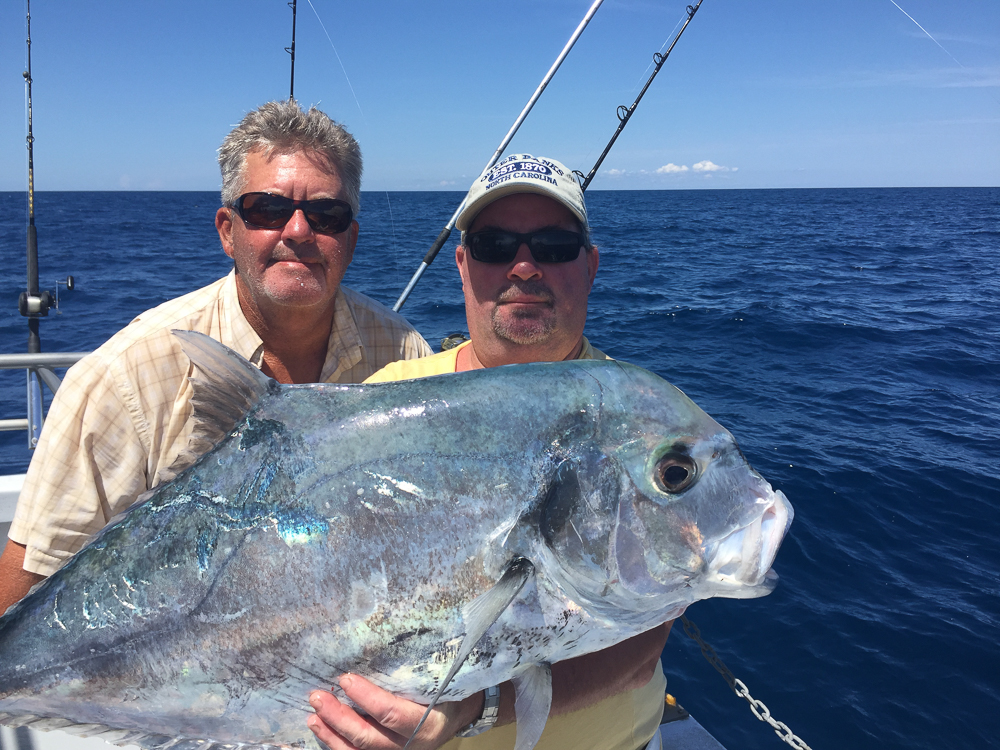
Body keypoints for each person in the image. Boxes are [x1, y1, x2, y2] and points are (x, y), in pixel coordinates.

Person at [0, 100, 432, 614]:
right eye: (268, 210)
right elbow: (27, 591)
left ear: (350, 239)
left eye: (326, 215)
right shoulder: (123, 376)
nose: (297, 231)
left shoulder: (406, 354)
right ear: (228, 231)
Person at [306, 154, 671, 750]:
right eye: (494, 244)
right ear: (462, 263)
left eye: (553, 245)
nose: (524, 267)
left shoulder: (635, 422)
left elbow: (642, 637)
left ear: (591, 265)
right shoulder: (386, 402)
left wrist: (476, 708)